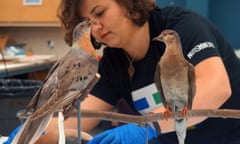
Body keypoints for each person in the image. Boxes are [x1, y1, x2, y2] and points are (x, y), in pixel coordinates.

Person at [7, 0, 240, 143]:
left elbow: (216, 88)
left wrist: (148, 124)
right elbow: (78, 119)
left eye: (99, 13)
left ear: (127, 2)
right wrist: (31, 133)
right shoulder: (114, 60)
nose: (96, 27)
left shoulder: (181, 27)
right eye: (88, 22)